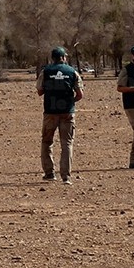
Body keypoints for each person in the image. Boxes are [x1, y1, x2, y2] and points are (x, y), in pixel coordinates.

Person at [36, 46, 83, 184]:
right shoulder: (72, 72)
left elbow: (39, 91)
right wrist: (70, 102)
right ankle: (66, 176)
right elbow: (80, 94)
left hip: (50, 112)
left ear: (53, 58)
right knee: (67, 144)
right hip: (67, 112)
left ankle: (49, 173)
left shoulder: (45, 72)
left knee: (46, 142)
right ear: (63, 58)